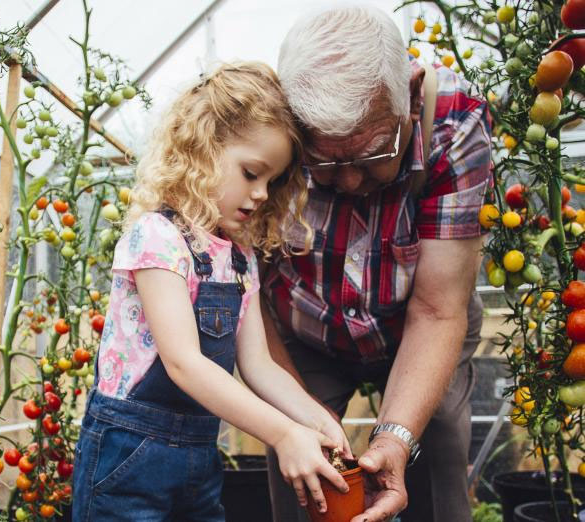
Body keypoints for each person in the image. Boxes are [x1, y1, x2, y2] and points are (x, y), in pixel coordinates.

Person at [72, 61, 353, 522]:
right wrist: (283, 434)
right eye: (251, 173)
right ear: (202, 148)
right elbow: (183, 364)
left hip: (198, 460)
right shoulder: (157, 237)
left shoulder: (238, 259)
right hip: (127, 458)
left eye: (272, 182)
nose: (262, 193)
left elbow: (259, 364)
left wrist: (314, 416)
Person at [262, 6, 493, 522]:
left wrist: (395, 436)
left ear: (410, 96)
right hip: (305, 327)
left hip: (420, 322)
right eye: (323, 162)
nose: (347, 182)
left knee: (438, 455)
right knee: (301, 467)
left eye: (370, 156)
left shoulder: (457, 123)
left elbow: (437, 310)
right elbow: (247, 297)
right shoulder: (265, 124)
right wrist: (296, 418)